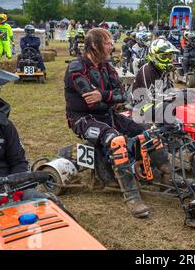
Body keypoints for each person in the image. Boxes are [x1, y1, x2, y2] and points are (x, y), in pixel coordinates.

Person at [0, 62, 68, 249]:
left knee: (51, 205)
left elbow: (19, 161)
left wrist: (10, 187)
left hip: (10, 187)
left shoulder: (2, 125)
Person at [64, 28, 160, 218]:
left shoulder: (106, 67)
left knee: (149, 131)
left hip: (107, 115)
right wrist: (110, 97)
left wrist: (104, 95)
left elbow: (123, 95)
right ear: (94, 45)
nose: (112, 46)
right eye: (108, 43)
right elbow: (90, 102)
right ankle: (132, 196)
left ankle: (164, 172)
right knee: (115, 140)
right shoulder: (76, 67)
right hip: (82, 118)